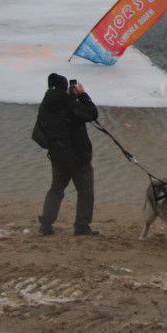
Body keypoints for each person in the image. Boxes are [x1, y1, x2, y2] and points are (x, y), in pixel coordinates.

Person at [37, 73, 100, 236]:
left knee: (56, 189)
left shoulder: (45, 105)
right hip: (79, 156)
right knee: (86, 191)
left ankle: (46, 224)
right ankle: (81, 226)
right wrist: (83, 95)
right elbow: (92, 114)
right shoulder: (70, 105)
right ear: (65, 88)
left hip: (58, 155)